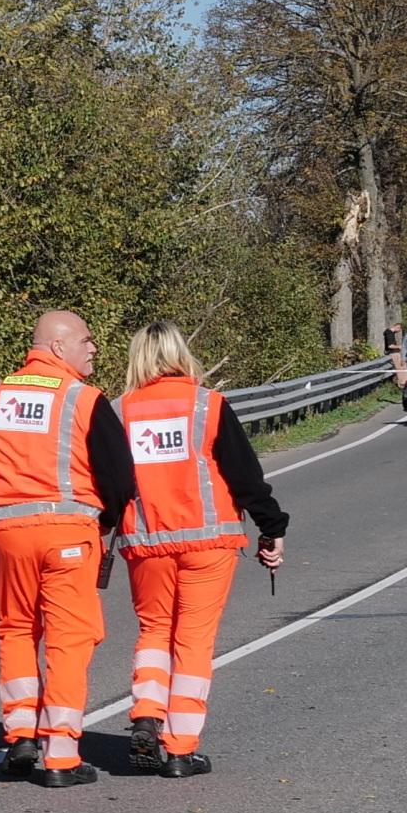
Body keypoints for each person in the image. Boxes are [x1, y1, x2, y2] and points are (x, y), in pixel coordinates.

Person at [0, 311, 137, 788]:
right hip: (70, 532)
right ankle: (61, 753)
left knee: (15, 630)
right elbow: (120, 477)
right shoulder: (84, 399)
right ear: (57, 347)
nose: (93, 348)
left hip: (9, 534)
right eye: (86, 339)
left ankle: (19, 734)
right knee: (68, 639)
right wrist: (106, 522)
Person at [111, 322, 289, 778]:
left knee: (154, 631)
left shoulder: (119, 412)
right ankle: (180, 749)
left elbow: (106, 483)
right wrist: (272, 526)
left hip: (147, 542)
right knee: (193, 641)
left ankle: (147, 714)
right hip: (208, 542)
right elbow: (244, 476)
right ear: (180, 353)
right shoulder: (208, 405)